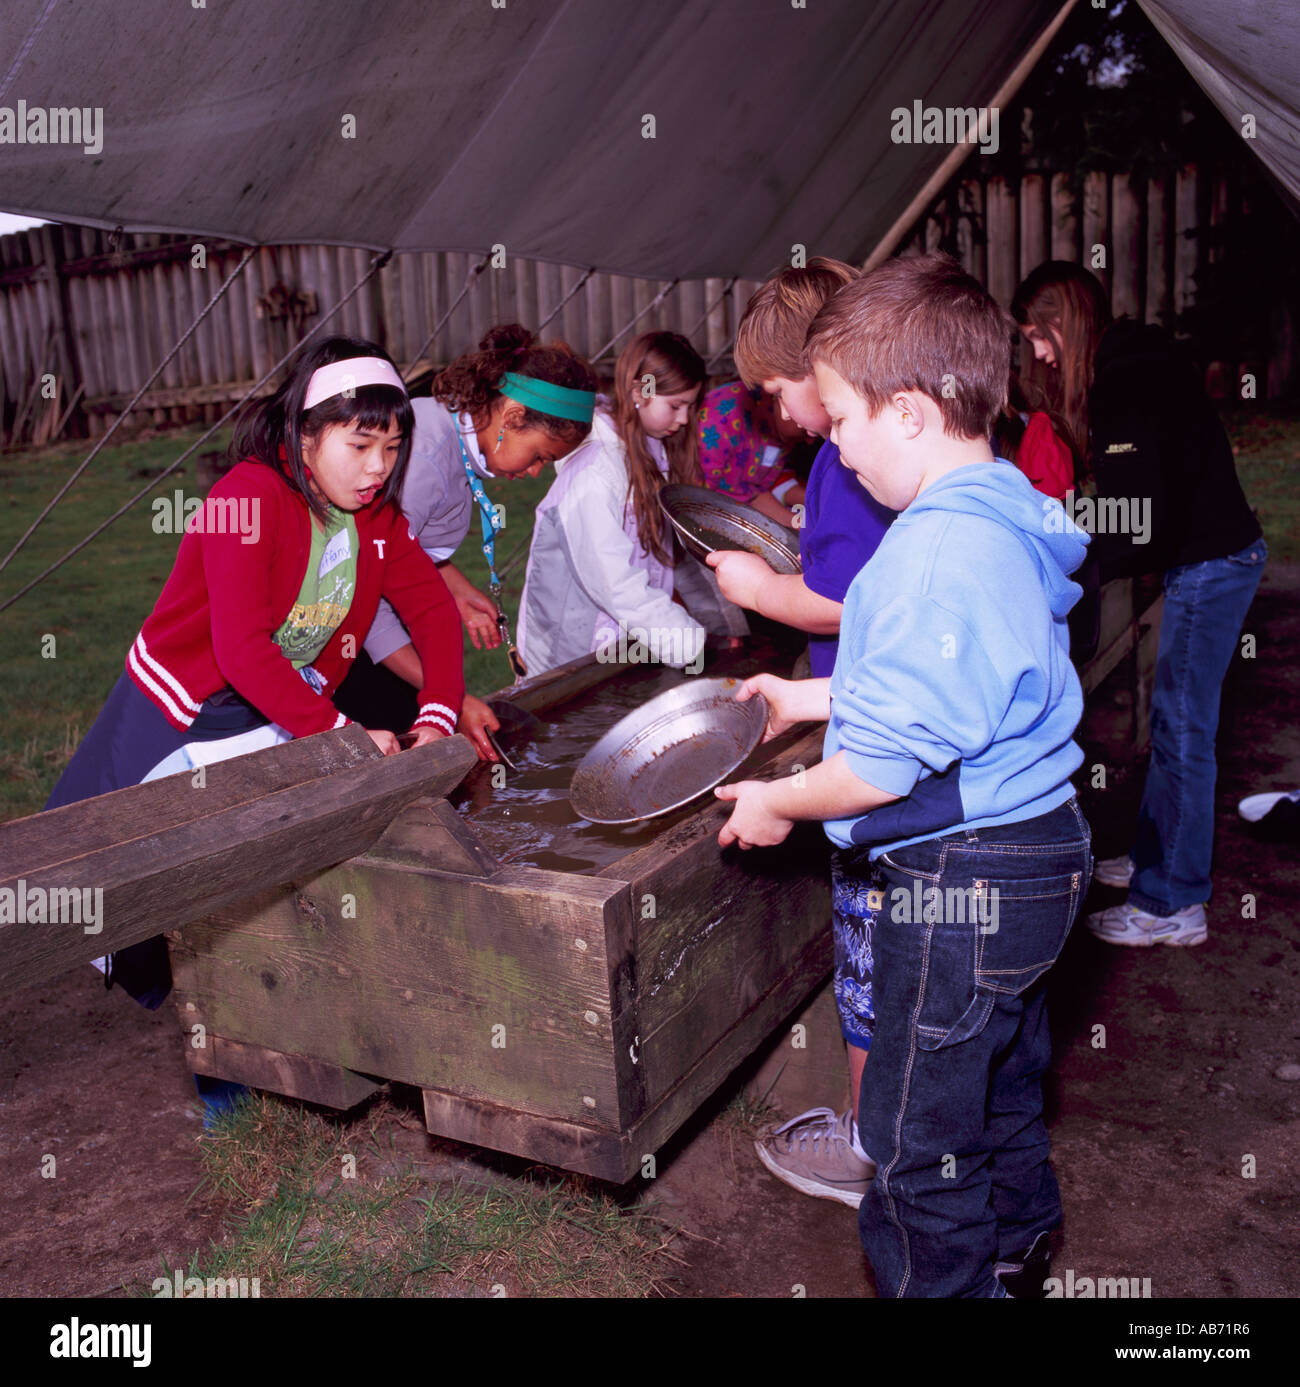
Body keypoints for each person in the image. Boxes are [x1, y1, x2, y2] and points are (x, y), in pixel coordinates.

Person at [715, 252, 1093, 1298]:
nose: (828, 440)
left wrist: (777, 800)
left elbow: (879, 772)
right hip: (1045, 849)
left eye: (838, 418)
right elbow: (963, 680)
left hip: (962, 878)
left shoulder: (928, 550)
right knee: (1002, 1075)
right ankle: (1020, 1248)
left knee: (913, 1130)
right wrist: (807, 698)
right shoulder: (1003, 511)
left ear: (913, 413)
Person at [46, 336, 464, 1032]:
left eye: (392, 449)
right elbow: (240, 650)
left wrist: (440, 711)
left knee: (250, 861)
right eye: (360, 445)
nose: (378, 468)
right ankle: (217, 1021)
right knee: (124, 865)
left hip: (277, 701)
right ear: (305, 435)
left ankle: (254, 1011)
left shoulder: (379, 519)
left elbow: (433, 610)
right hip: (190, 705)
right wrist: (341, 736)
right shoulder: (242, 497)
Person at [707, 257, 894, 1208]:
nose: (776, 411)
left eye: (779, 391)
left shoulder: (845, 463)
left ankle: (869, 1148)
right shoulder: (866, 462)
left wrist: (759, 589)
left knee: (867, 949)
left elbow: (842, 599)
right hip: (854, 708)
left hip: (871, 738)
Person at [1011, 261, 1266, 948]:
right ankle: (1155, 860)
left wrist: (1063, 564)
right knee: (1174, 722)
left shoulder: (1126, 380)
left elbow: (1136, 521)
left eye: (1038, 336)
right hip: (1209, 557)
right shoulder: (1135, 359)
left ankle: (1170, 904)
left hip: (1212, 565)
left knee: (1184, 730)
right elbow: (1141, 501)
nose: (1036, 353)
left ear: (1062, 320)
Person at [333, 324, 599, 757]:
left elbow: (403, 547)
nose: (534, 472)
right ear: (513, 417)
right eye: (539, 456)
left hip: (370, 624)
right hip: (345, 638)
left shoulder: (450, 437)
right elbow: (366, 596)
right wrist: (447, 698)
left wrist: (455, 588)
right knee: (393, 749)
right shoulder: (425, 458)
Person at [518, 330, 742, 675]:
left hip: (618, 645)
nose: (684, 420)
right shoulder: (595, 471)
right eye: (675, 406)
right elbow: (615, 582)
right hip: (566, 660)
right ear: (641, 391)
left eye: (690, 407)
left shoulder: (653, 452)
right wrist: (690, 643)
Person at [696, 379, 816, 526]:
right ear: (779, 397)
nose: (810, 439)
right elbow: (706, 497)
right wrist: (798, 523)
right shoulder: (722, 419)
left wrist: (813, 507)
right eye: (805, 431)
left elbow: (763, 484)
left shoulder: (781, 430)